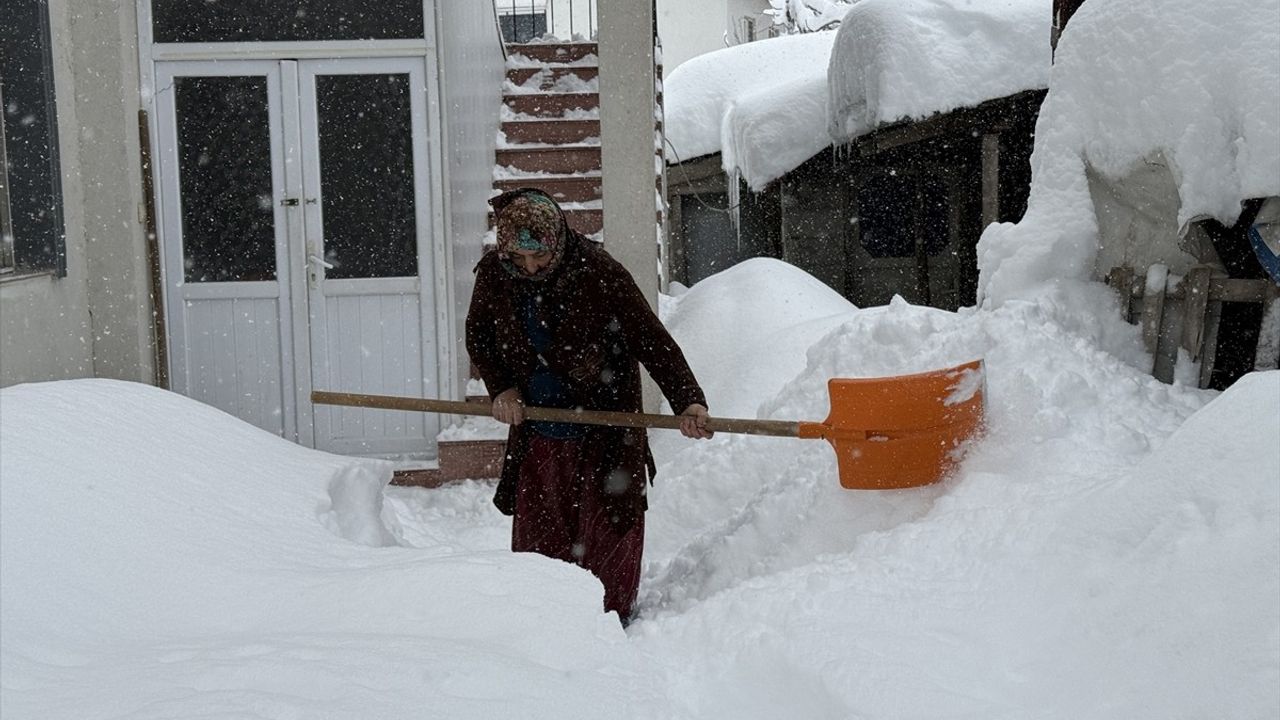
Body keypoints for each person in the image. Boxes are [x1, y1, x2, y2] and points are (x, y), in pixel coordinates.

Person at [465, 187, 712, 625]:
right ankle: (543, 625)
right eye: (519, 260)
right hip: (540, 433)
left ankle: (608, 629)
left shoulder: (598, 271)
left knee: (606, 540)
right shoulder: (496, 273)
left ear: (557, 239)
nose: (531, 268)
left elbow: (650, 339)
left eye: (539, 258)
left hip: (606, 429)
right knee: (542, 543)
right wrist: (501, 388)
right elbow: (480, 336)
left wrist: (688, 400)